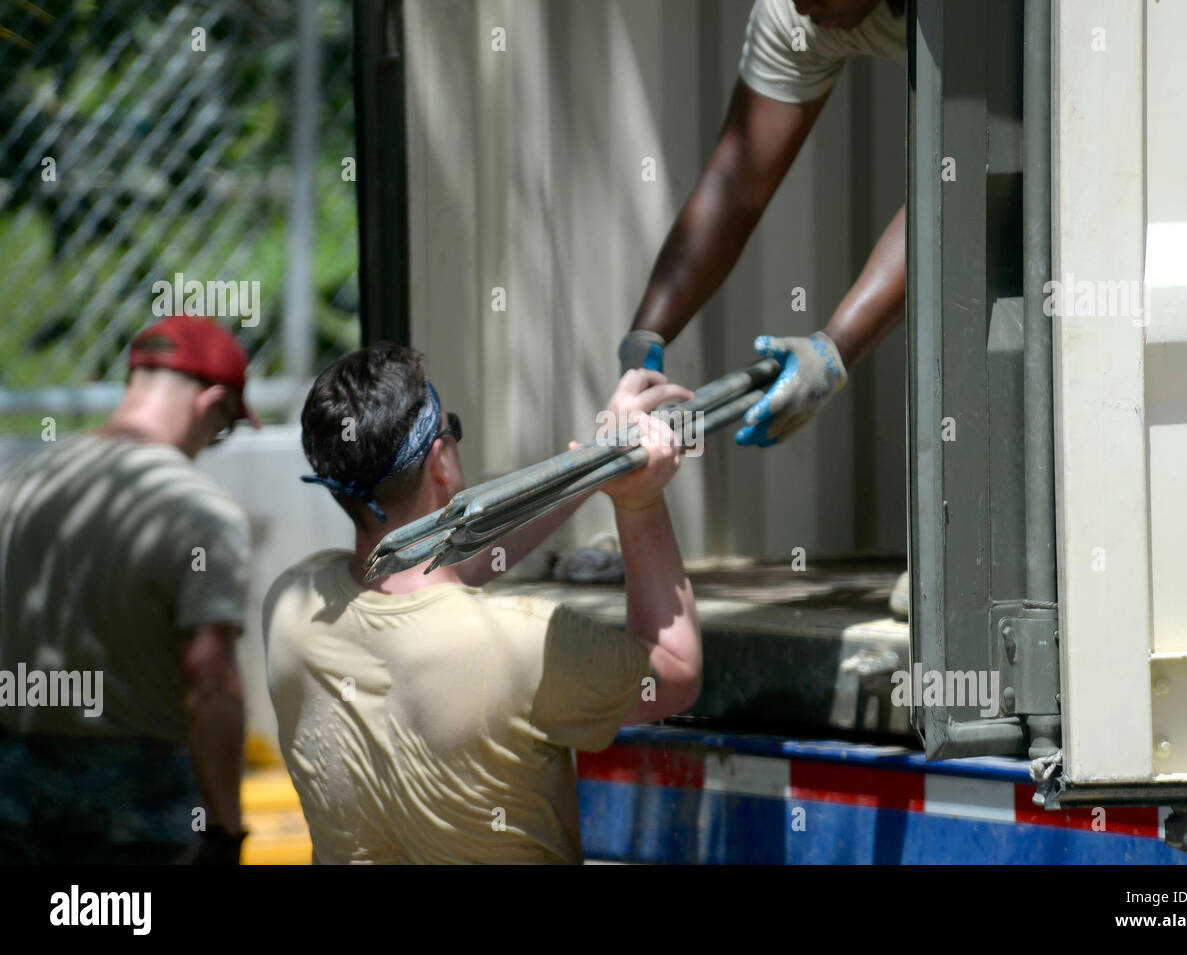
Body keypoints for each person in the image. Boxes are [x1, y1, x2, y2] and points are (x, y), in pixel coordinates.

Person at [265, 342, 702, 864]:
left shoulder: (291, 605)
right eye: (453, 429)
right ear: (440, 462)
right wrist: (640, 500)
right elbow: (674, 671)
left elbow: (439, 572)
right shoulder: (525, 646)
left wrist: (596, 463)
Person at [618, 0, 910, 613]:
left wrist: (836, 348)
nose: (805, 6)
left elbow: (963, 176)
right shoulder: (799, 11)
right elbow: (736, 187)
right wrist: (645, 341)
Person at [0, 315, 256, 864]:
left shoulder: (17, 487)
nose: (215, 442)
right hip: (139, 804)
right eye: (226, 425)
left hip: (15, 790)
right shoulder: (200, 513)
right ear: (210, 403)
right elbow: (210, 684)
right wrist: (226, 832)